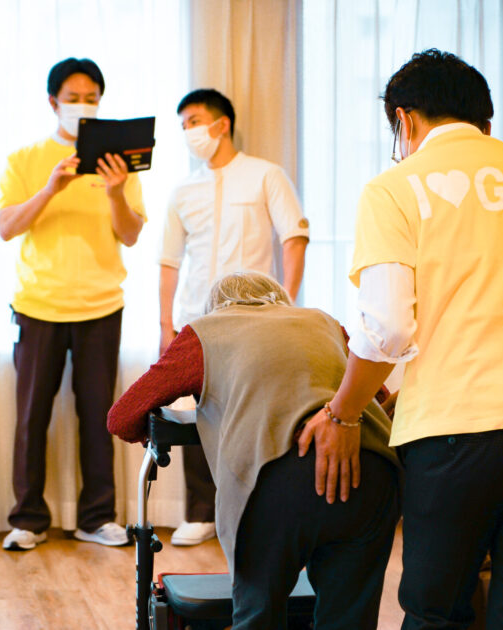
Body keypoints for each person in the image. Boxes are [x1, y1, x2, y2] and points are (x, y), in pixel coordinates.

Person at [298, 49, 503, 629]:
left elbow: (388, 326)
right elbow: (496, 296)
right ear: (485, 120)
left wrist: (343, 413)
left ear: (405, 120)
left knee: (437, 613)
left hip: (457, 433)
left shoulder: (395, 188)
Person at [108, 271, 399, 630]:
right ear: (279, 299)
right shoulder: (324, 322)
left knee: (258, 615)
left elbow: (122, 417)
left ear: (216, 308)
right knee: (348, 620)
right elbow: (376, 394)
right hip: (370, 469)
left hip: (276, 479)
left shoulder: (204, 331)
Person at [0, 57, 145, 551]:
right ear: (52, 102)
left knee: (100, 417)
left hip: (101, 305)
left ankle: (97, 517)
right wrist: (50, 189)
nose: (83, 106)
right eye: (73, 98)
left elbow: (130, 234)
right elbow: (6, 227)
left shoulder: (118, 161)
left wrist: (116, 191)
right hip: (38, 305)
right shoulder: (25, 158)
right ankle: (28, 520)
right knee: (31, 417)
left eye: (91, 98)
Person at [158, 88, 310, 546]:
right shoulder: (183, 191)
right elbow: (168, 262)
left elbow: (294, 238)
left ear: (221, 124)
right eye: (183, 125)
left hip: (254, 321)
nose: (189, 131)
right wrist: (165, 325)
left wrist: (284, 303)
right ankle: (200, 513)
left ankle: (256, 515)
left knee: (252, 413)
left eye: (194, 121)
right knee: (194, 411)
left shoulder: (266, 175)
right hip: (196, 319)